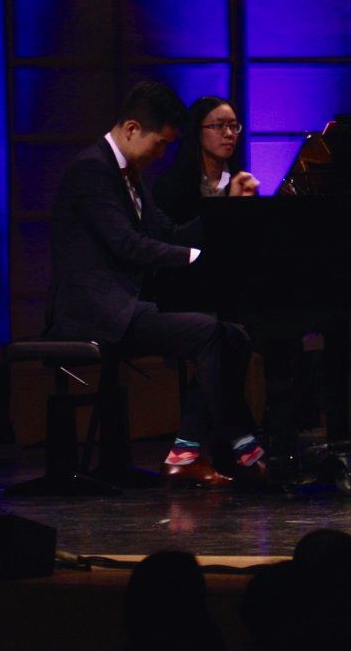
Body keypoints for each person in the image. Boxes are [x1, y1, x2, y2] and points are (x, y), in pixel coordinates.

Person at [44, 81, 266, 489]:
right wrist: (195, 259)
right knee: (210, 333)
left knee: (233, 335)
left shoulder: (131, 174)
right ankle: (240, 447)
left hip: (128, 307)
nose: (162, 154)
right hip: (96, 313)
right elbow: (127, 245)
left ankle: (190, 451)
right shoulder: (91, 169)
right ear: (131, 128)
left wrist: (225, 207)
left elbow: (169, 231)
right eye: (159, 144)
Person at [152, 95, 260, 225]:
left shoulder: (243, 184)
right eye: (219, 126)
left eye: (233, 126)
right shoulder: (170, 186)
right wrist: (231, 207)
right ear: (197, 131)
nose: (230, 134)